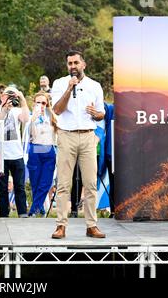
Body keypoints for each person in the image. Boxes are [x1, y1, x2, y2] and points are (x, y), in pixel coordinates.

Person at [50, 50, 106, 239]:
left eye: (76, 63)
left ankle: (91, 226)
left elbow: (101, 114)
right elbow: (57, 110)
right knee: (64, 184)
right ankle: (61, 226)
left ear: (84, 65)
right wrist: (68, 88)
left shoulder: (95, 86)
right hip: (66, 136)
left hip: (88, 136)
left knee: (90, 184)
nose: (72, 66)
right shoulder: (59, 83)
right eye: (69, 63)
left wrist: (96, 114)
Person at [0, 86, 30, 217]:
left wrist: (22, 99)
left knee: (19, 186)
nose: (9, 97)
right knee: (2, 188)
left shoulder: (17, 110)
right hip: (1, 154)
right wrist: (5, 107)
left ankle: (22, 213)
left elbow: (26, 119)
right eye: (7, 94)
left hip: (16, 154)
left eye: (12, 95)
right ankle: (4, 214)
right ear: (2, 96)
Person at [26, 92, 57, 217]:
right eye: (38, 102)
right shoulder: (29, 117)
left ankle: (33, 210)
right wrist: (33, 119)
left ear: (47, 104)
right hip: (35, 149)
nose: (41, 105)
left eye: (43, 103)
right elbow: (28, 134)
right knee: (35, 182)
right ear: (34, 103)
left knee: (45, 182)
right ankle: (40, 208)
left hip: (49, 150)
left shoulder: (52, 117)